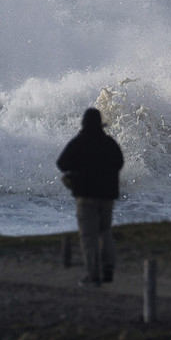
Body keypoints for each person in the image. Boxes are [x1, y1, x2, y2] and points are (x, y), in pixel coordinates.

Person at [55, 108, 125, 286]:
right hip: (107, 196)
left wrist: (79, 169)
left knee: (89, 237)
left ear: (84, 124)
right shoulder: (109, 142)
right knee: (105, 231)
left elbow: (62, 163)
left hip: (86, 196)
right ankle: (108, 268)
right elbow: (119, 162)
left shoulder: (79, 142)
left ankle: (93, 275)